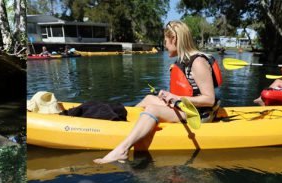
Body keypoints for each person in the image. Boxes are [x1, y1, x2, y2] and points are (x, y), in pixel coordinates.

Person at [94, 20, 222, 164]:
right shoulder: (184, 60)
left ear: (174, 39)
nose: (165, 45)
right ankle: (126, 126)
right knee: (149, 98)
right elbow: (188, 91)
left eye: (166, 40)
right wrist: (170, 96)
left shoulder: (198, 62)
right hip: (186, 107)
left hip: (198, 114)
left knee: (153, 109)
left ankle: (122, 150)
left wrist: (177, 97)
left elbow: (209, 99)